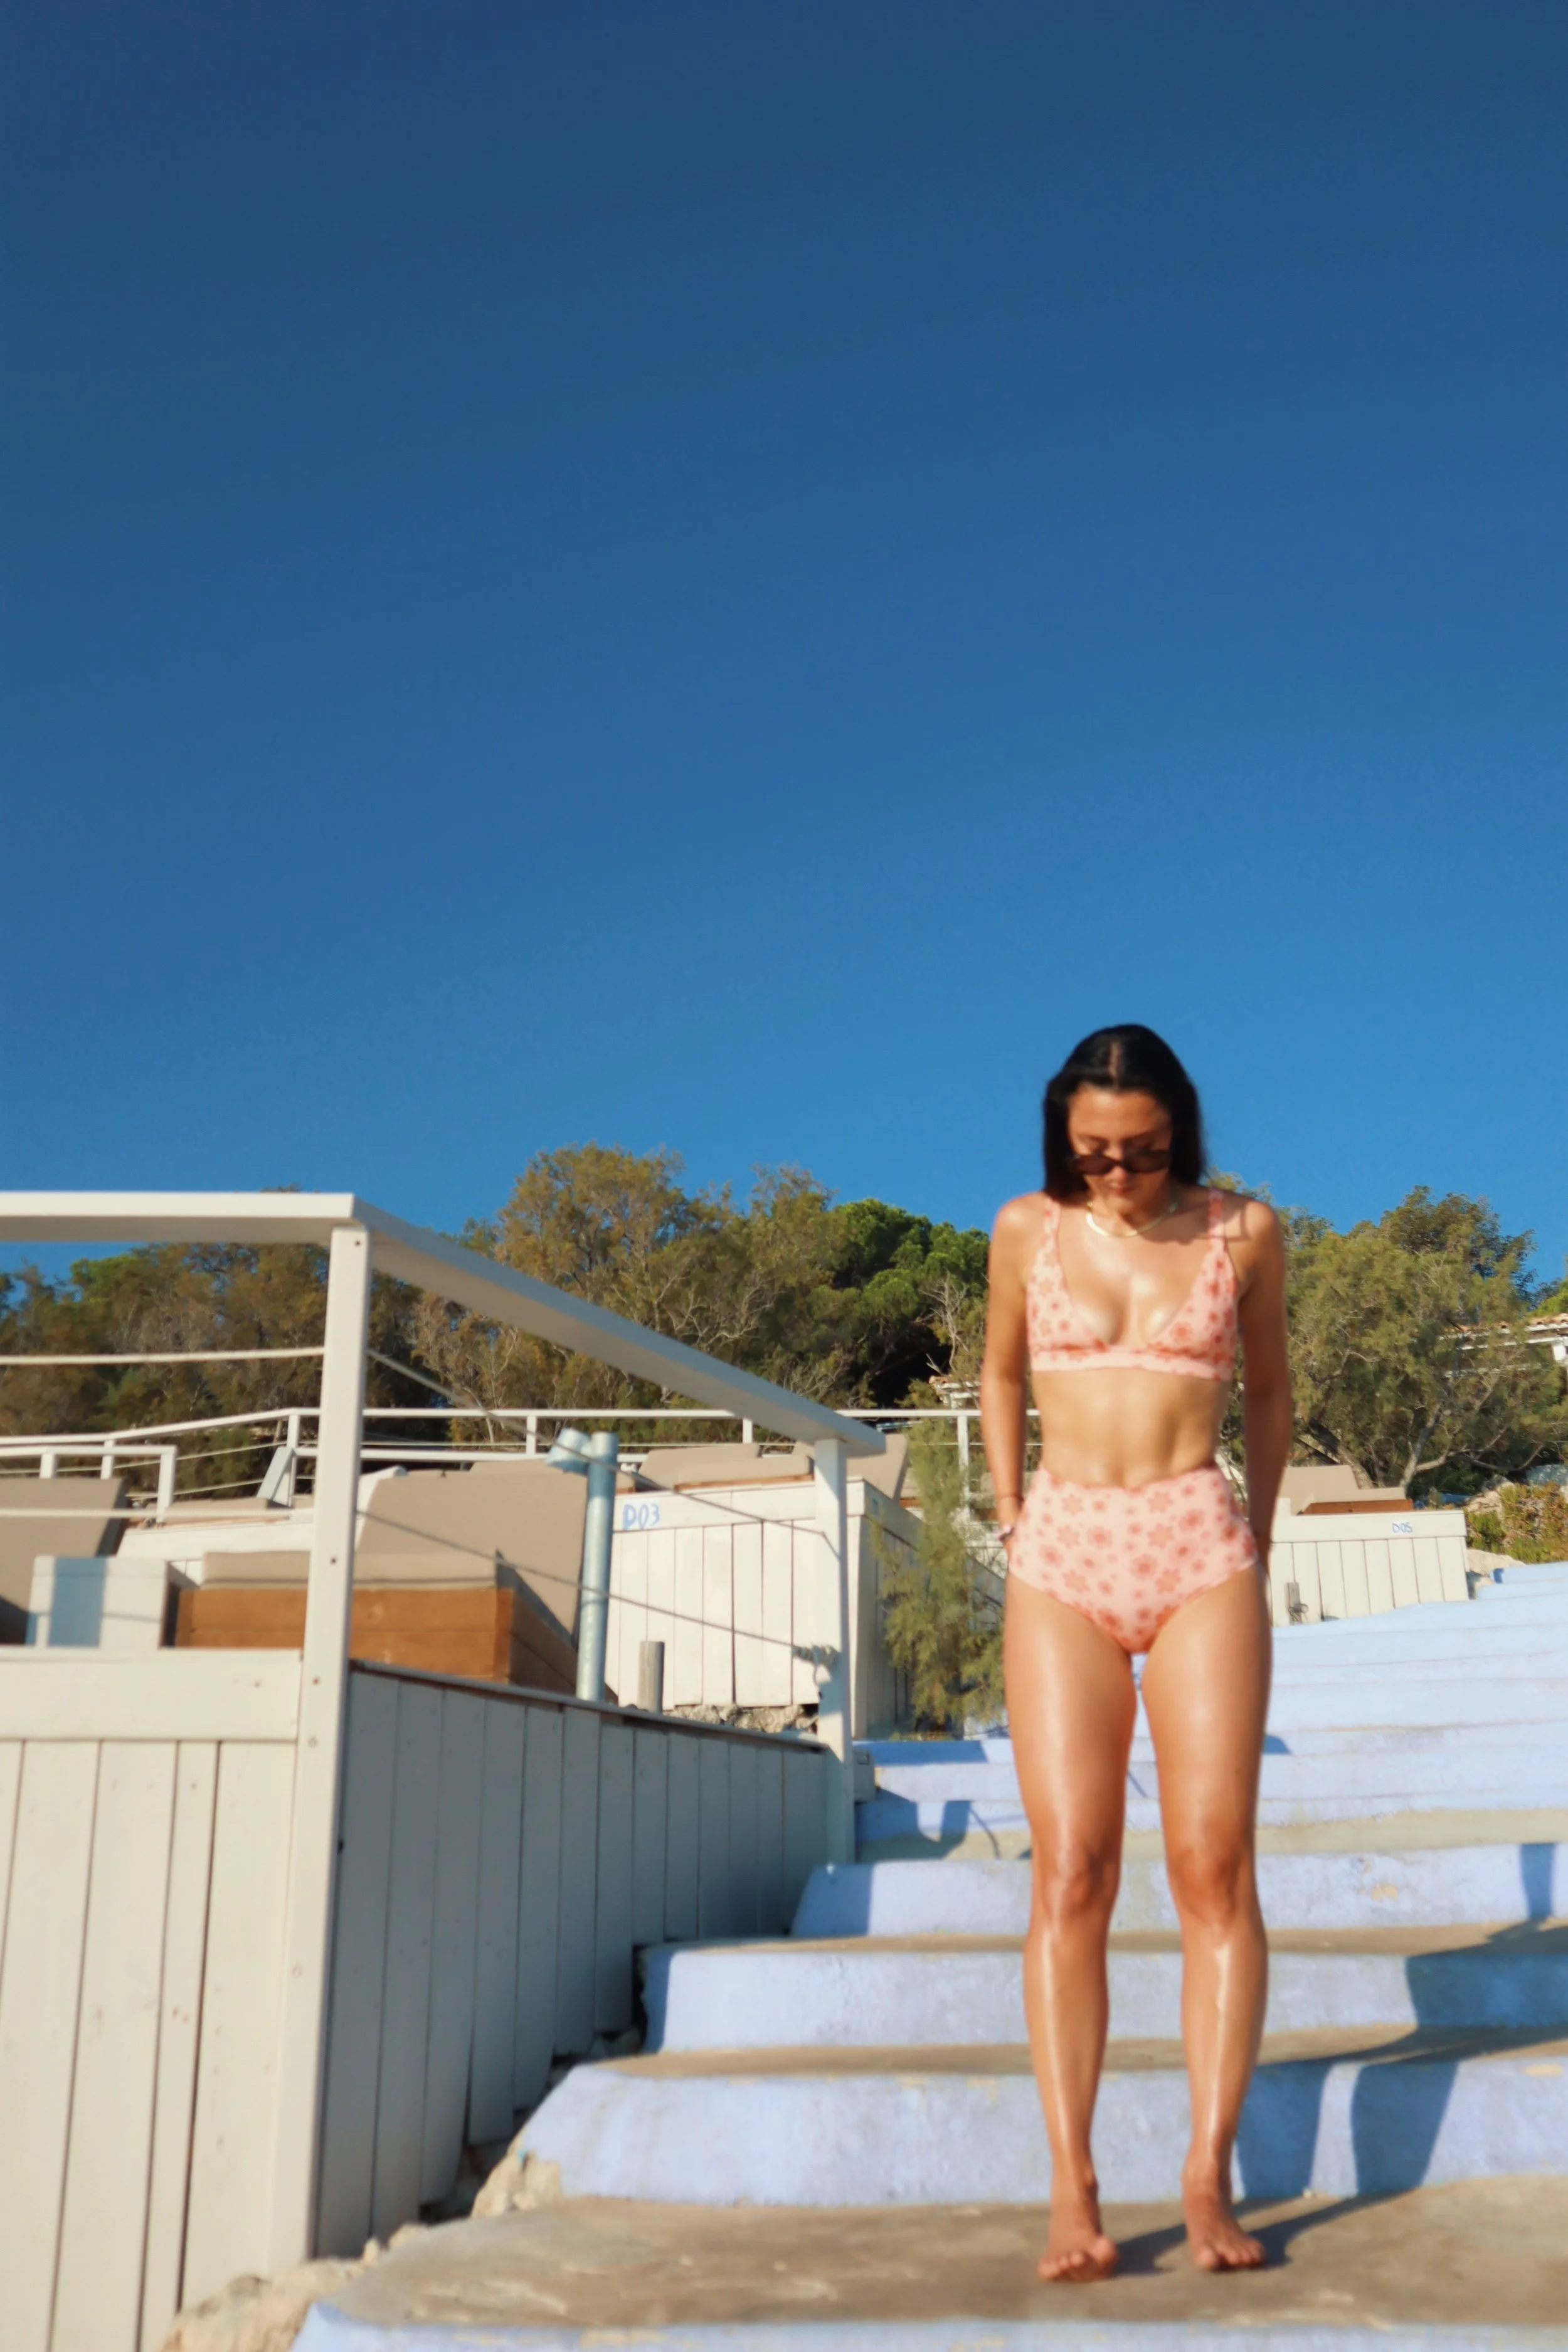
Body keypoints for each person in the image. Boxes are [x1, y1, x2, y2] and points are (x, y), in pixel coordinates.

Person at [980, 1024, 1291, 2282]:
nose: (1117, 1175)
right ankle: (1074, 2187)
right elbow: (998, 1376)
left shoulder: (1243, 1232)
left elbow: (1268, 1392)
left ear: (1182, 1133)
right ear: (1063, 1137)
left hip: (1194, 1543)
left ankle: (1206, 2179)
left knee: (1212, 1866)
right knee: (1073, 1874)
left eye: (1143, 1153)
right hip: (1061, 1551)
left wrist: (1252, 1539)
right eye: (1093, 1154)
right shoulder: (1022, 1231)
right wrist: (1008, 1514)